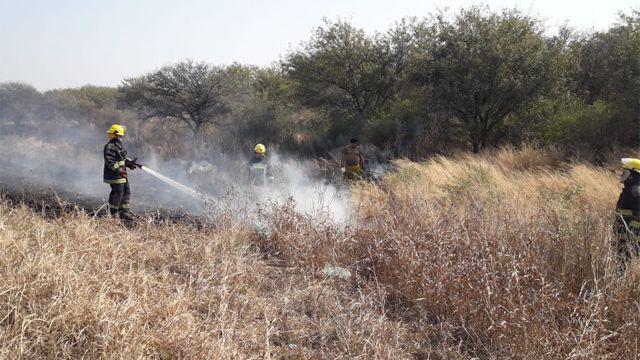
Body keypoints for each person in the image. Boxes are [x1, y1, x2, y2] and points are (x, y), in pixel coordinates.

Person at [103, 124, 139, 219]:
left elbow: (121, 158)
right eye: (120, 136)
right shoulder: (109, 146)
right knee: (117, 192)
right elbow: (109, 161)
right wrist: (118, 170)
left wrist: (130, 164)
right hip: (114, 175)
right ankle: (113, 213)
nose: (121, 137)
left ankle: (124, 212)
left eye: (110, 133)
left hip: (122, 174)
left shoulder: (118, 145)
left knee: (126, 191)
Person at [615, 158, 640, 270]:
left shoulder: (636, 192)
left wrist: (631, 239)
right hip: (624, 240)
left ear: (633, 174)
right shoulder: (629, 189)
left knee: (625, 269)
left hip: (632, 242)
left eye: (625, 172)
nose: (622, 174)